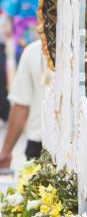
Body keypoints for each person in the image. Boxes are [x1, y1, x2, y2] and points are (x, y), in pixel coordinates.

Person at [0, 38, 47, 167]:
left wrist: (6, 152)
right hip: (85, 147)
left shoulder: (33, 51)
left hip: (39, 146)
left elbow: (21, 105)